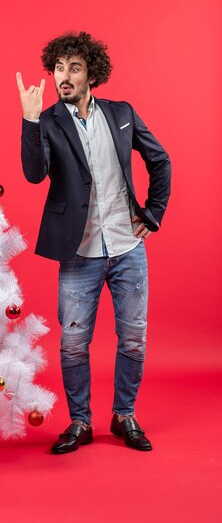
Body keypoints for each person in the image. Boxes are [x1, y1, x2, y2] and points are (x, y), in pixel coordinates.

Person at [17, 31, 171, 453]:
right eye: (58, 68)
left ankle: (124, 416)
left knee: (134, 337)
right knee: (72, 343)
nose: (63, 77)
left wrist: (152, 214)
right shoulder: (48, 121)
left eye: (74, 68)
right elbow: (34, 174)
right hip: (78, 252)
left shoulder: (122, 114)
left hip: (127, 248)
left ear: (92, 74)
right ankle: (80, 422)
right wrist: (30, 121)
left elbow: (159, 159)